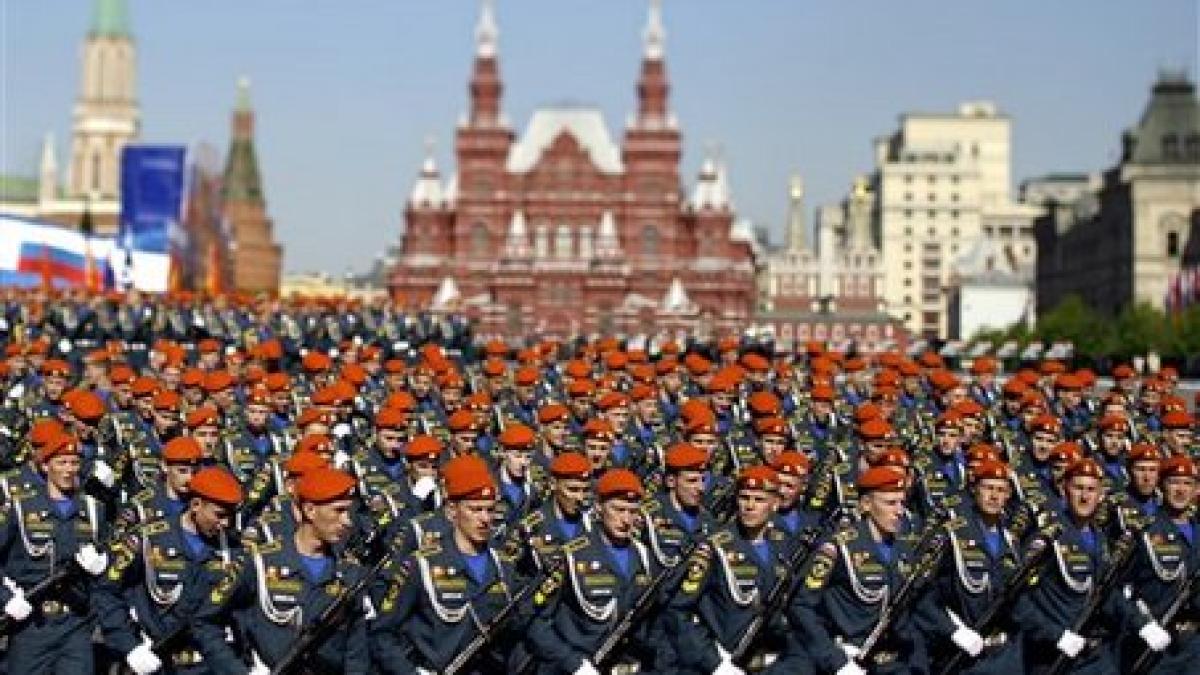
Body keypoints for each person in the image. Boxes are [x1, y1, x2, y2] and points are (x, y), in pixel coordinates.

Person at [192, 467, 370, 673]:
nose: (347, 521)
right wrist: (238, 670)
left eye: (348, 511)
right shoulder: (260, 562)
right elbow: (205, 622)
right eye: (338, 511)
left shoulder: (350, 572)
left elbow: (356, 654)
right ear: (310, 510)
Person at [369, 454, 525, 673]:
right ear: (452, 511)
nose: (485, 519)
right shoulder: (422, 564)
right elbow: (382, 633)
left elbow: (516, 633)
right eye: (475, 509)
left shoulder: (503, 565)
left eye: (489, 510)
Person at [1013, 458, 1170, 673]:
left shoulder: (1099, 537)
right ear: (1063, 489)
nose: (1085, 496)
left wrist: (1143, 625)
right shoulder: (1048, 539)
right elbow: (1019, 601)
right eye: (1078, 488)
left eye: (1091, 489)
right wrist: (1055, 635)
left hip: (1096, 654)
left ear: (1100, 495)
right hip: (1056, 656)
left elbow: (1107, 592)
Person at [95, 466, 244, 674]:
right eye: (219, 515)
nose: (225, 523)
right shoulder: (148, 538)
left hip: (210, 664)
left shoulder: (236, 550)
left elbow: (247, 611)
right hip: (156, 660)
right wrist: (130, 646)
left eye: (230, 516)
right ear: (196, 505)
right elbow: (107, 591)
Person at [525, 468, 669, 673]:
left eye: (632, 511)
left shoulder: (645, 557)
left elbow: (657, 621)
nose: (626, 520)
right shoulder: (572, 556)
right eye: (618, 510)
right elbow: (534, 621)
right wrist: (572, 663)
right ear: (599, 508)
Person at [667, 465, 809, 673]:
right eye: (744, 497)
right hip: (726, 661)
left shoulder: (786, 546)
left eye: (759, 500)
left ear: (775, 503)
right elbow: (678, 611)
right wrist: (713, 662)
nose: (749, 506)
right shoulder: (715, 547)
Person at [789, 466, 928, 674]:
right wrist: (833, 659)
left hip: (897, 662)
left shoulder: (905, 548)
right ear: (866, 504)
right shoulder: (838, 548)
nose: (899, 511)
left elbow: (912, 611)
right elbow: (802, 606)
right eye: (890, 503)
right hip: (851, 660)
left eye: (902, 503)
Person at [0, 432, 110, 673]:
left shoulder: (93, 510)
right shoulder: (20, 507)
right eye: (61, 462)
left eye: (74, 462)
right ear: (45, 465)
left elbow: (110, 566)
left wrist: (102, 566)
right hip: (31, 622)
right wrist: (6, 598)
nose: (69, 469)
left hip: (76, 624)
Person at [914, 459, 1025, 673]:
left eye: (1001, 490)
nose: (994, 496)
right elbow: (920, 593)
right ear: (974, 489)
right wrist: (952, 630)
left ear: (1009, 494)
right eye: (988, 488)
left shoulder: (1011, 539)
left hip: (1006, 656)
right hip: (962, 656)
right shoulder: (950, 534)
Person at [1119, 454, 1200, 672]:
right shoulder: (1143, 531)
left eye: (1188, 483)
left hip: (1195, 647)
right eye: (1174, 482)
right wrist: (1143, 625)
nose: (1181, 490)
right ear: (1161, 486)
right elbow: (1116, 590)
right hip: (1155, 646)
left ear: (1196, 490)